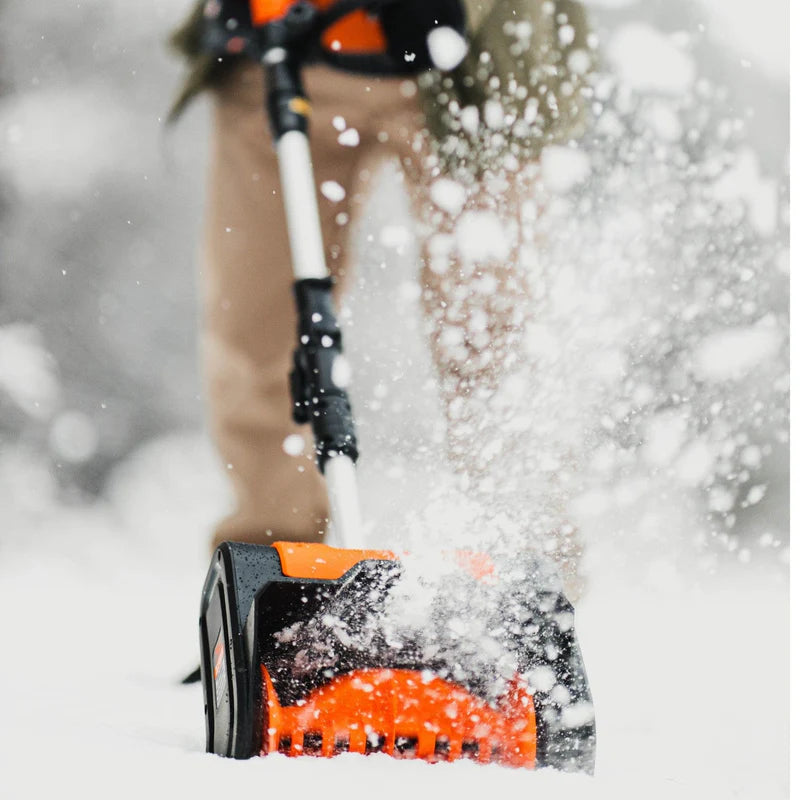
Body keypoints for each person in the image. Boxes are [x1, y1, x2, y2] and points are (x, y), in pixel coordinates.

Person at [171, 0, 594, 585]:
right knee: (257, 328)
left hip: (475, 63)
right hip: (283, 49)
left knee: (492, 334)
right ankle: (269, 584)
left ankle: (522, 582)